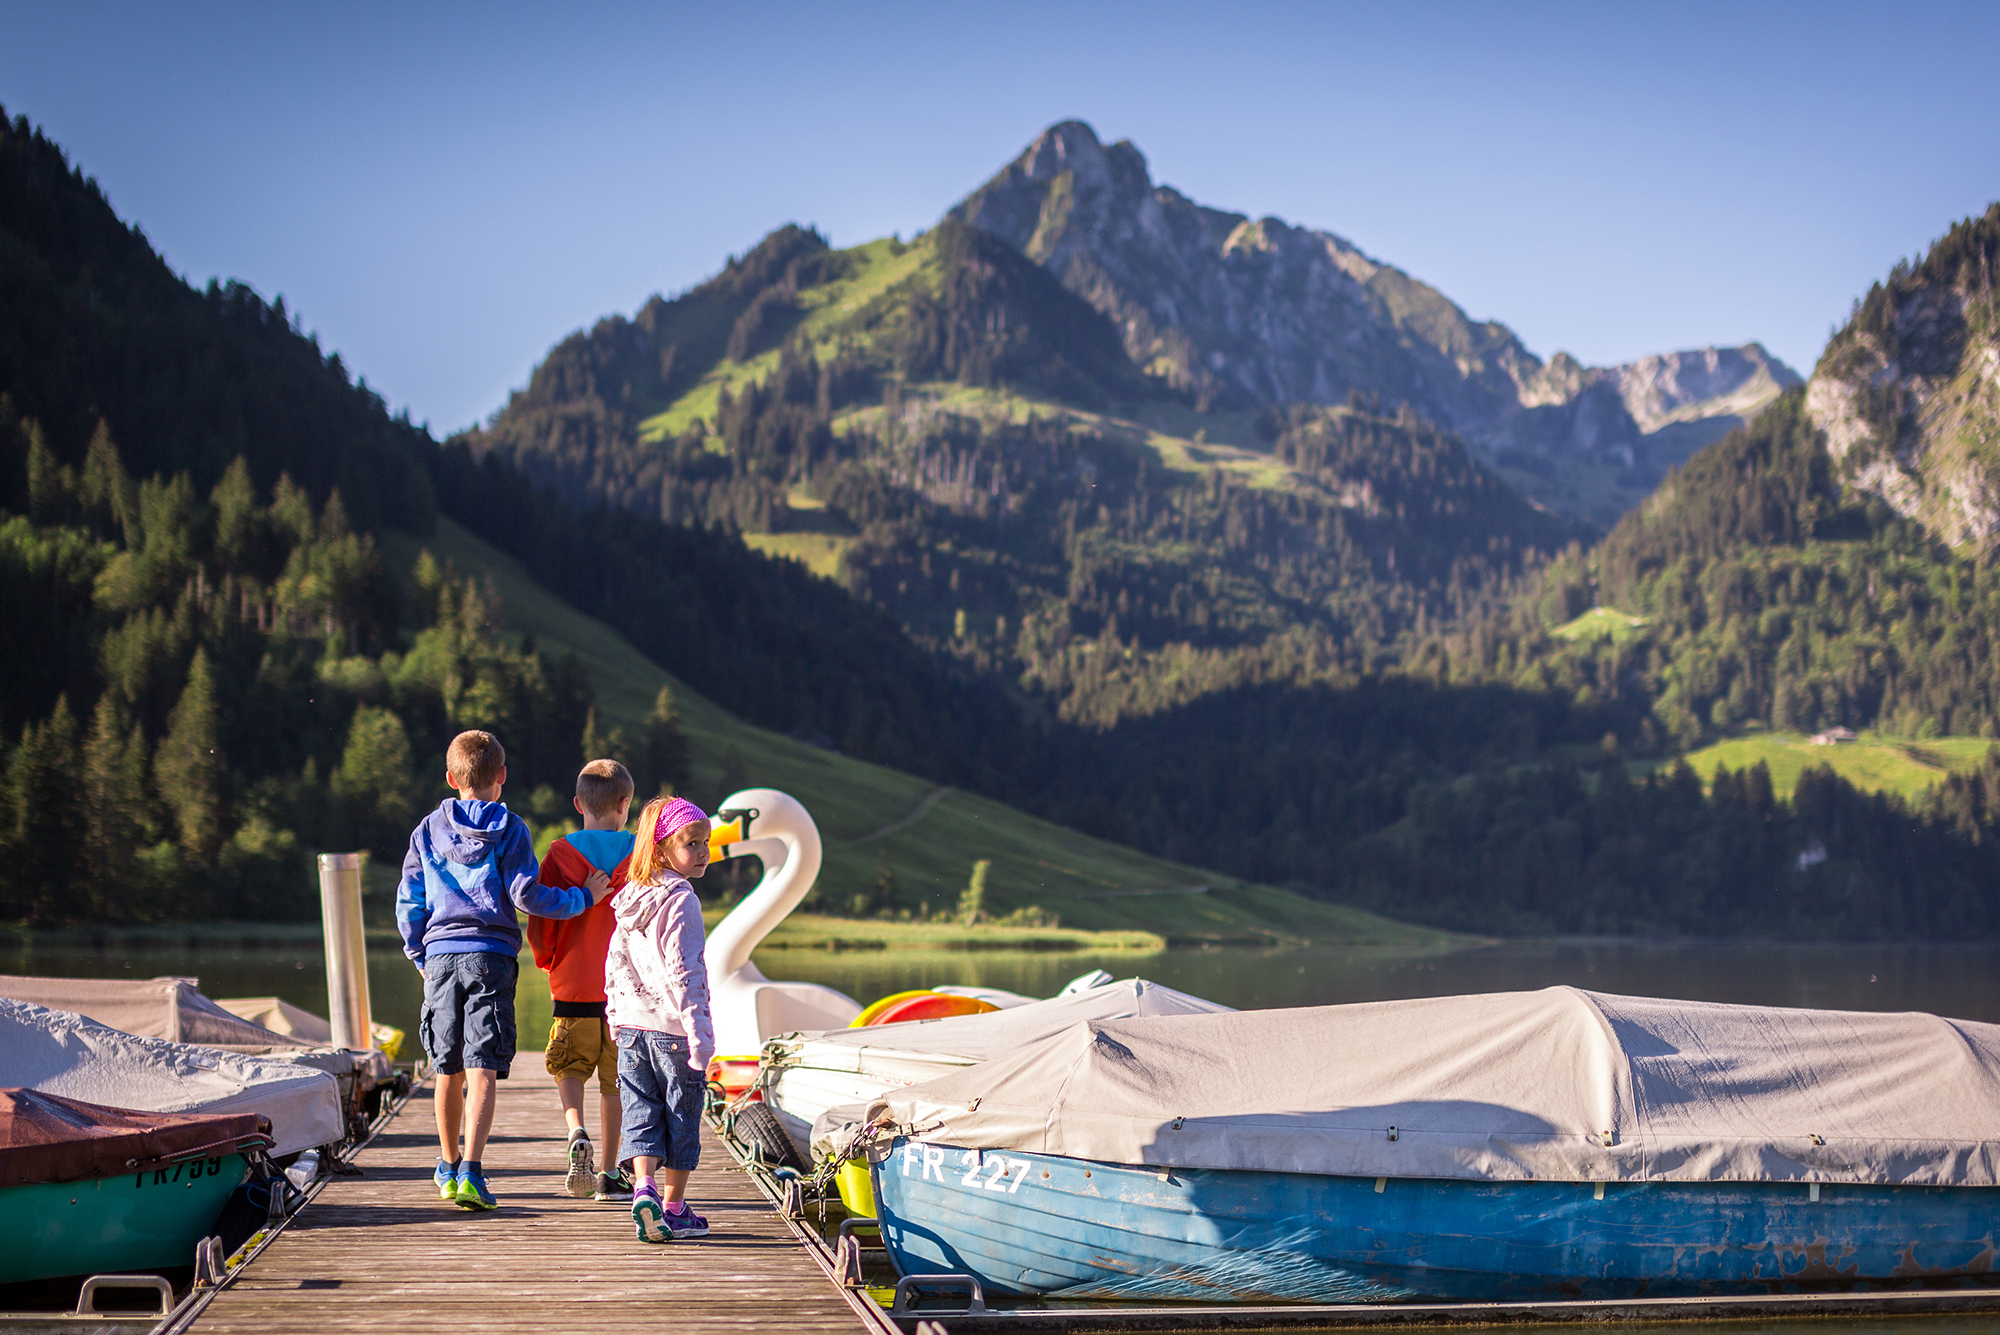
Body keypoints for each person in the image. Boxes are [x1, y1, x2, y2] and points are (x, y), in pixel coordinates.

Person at [397, 729, 611, 1211]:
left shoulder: (426, 830)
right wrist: (582, 898)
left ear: (452, 778)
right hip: (490, 957)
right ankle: (473, 1169)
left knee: (446, 1067)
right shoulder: (511, 828)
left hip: (440, 956)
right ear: (502, 777)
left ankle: (448, 1166)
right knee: (484, 1067)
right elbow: (525, 895)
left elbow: (409, 901)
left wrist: (419, 956)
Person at [525, 758, 637, 1201]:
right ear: (625, 804)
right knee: (615, 1084)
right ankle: (609, 1173)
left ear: (577, 804)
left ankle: (576, 1131)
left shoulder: (558, 855)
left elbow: (542, 914)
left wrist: (548, 958)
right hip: (625, 992)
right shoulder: (640, 855)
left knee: (567, 1067)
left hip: (573, 984)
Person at [604, 795, 715, 1242]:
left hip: (631, 1029)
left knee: (640, 1113)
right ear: (663, 846)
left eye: (707, 842)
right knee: (682, 1116)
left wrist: (615, 1014)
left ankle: (642, 1187)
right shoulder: (681, 900)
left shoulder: (629, 897)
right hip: (672, 1030)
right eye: (693, 843)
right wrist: (700, 1035)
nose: (704, 851)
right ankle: (672, 1209)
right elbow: (685, 970)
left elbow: (614, 963)